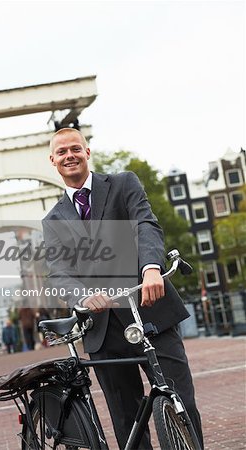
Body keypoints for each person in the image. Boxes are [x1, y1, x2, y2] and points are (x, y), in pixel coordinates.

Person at [42, 127, 203, 449]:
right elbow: (58, 273)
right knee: (126, 417)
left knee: (180, 401)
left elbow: (145, 223)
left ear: (87, 153)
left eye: (75, 148)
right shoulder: (53, 220)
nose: (69, 155)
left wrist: (152, 268)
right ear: (53, 161)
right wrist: (83, 297)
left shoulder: (122, 184)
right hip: (103, 330)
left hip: (150, 309)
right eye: (62, 152)